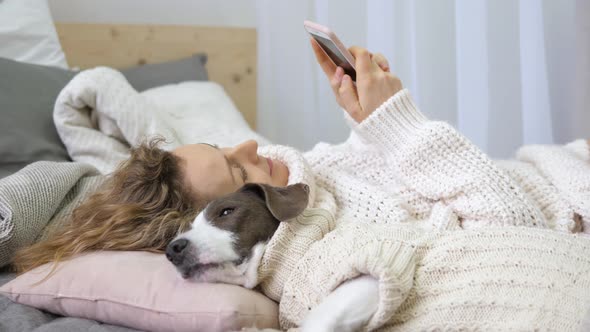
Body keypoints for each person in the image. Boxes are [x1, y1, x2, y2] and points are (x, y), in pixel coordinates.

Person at [13, 39, 590, 274]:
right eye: (239, 170)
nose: (247, 145)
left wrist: (366, 114)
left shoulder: (302, 171)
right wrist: (399, 124)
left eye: (222, 146)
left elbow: (372, 167)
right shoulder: (328, 234)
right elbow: (519, 231)